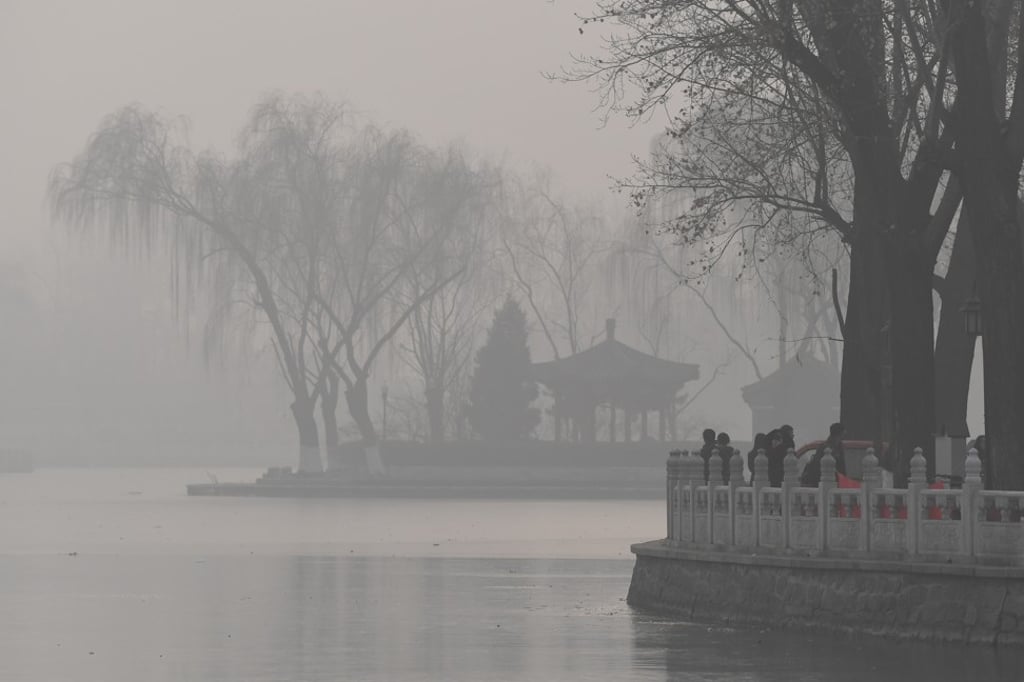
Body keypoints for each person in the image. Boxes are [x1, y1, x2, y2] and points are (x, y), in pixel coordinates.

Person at [801, 422, 846, 486]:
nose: (845, 433)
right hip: (823, 483)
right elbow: (817, 467)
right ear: (840, 433)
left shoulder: (839, 446)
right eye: (844, 431)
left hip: (836, 483)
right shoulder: (825, 448)